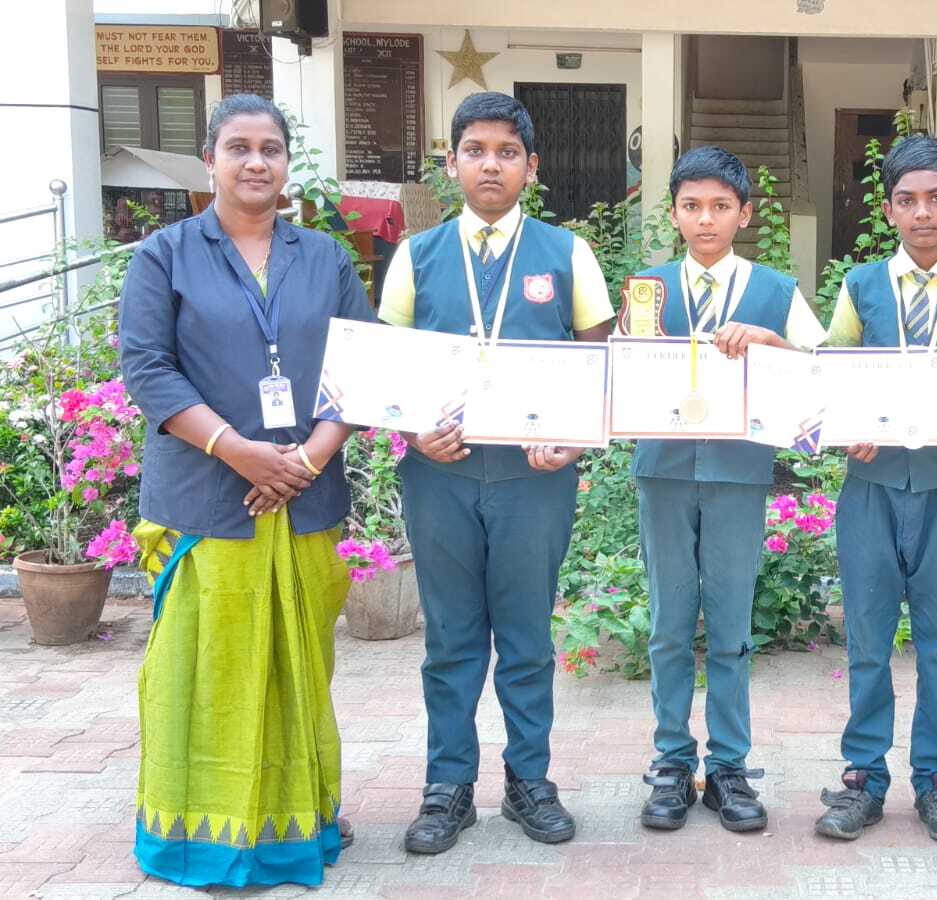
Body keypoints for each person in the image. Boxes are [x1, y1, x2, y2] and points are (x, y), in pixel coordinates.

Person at [118, 93, 374, 888]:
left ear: (287, 162)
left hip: (305, 500)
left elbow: (364, 365)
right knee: (204, 677)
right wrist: (238, 452)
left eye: (270, 148)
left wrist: (302, 462)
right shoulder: (164, 255)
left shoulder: (325, 258)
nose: (256, 162)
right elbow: (147, 368)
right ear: (210, 160)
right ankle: (199, 837)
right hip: (204, 498)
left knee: (299, 671)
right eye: (238, 148)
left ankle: (300, 819)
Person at [376, 92, 615, 854]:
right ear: (450, 163)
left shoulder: (566, 254)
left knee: (526, 638)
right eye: (475, 151)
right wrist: (412, 432)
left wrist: (574, 442)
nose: (490, 165)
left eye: (507, 153)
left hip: (533, 479)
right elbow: (385, 367)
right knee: (450, 639)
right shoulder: (416, 256)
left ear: (531, 167)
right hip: (440, 475)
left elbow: (602, 362)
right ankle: (447, 788)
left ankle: (528, 781)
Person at [814, 135, 937, 843]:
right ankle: (863, 778)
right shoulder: (860, 287)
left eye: (936, 199)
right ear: (889, 210)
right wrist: (845, 429)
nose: (922, 213)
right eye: (907, 200)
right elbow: (831, 371)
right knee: (868, 639)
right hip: (870, 488)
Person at [630, 146, 827, 833]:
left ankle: (730, 767)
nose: (705, 219)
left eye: (720, 206)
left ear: (744, 213)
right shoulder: (647, 288)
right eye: (691, 206)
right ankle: (671, 763)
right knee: (668, 624)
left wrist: (774, 343)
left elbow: (820, 370)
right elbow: (624, 372)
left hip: (739, 475)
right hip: (663, 470)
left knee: (732, 627)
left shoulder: (776, 291)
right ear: (674, 214)